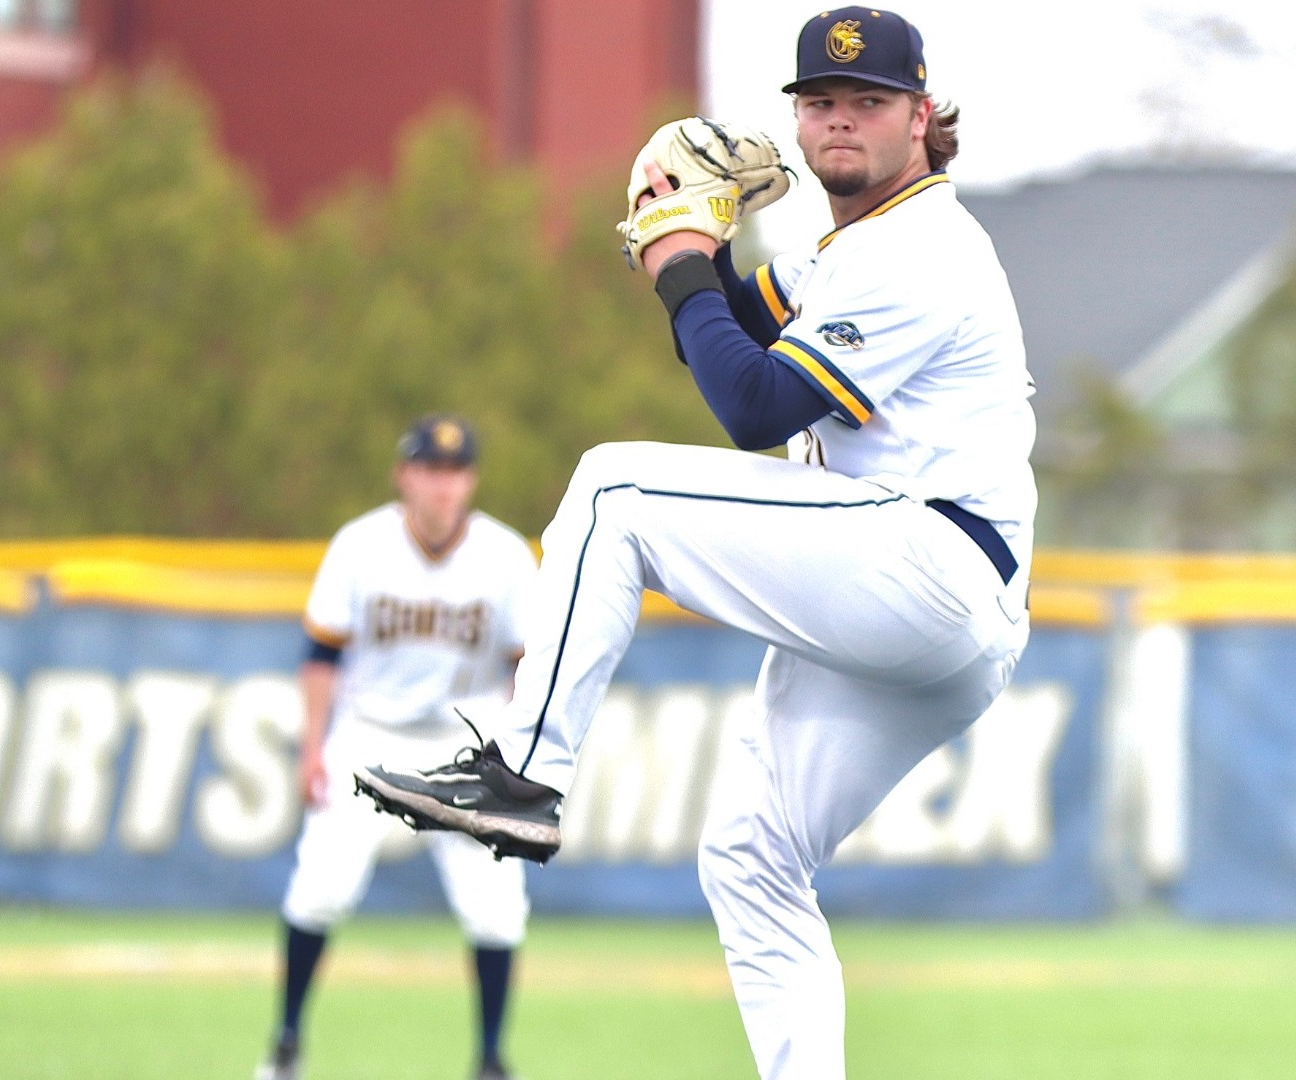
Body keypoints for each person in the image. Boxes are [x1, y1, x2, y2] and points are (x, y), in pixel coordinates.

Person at [354, 9, 1034, 1078]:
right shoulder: (849, 248)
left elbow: (755, 405)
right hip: (925, 615)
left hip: (927, 561)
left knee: (615, 488)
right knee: (751, 858)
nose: (840, 122)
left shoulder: (924, 247)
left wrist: (680, 254)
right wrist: (693, 250)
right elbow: (735, 327)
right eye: (819, 103)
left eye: (869, 102)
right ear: (797, 121)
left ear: (920, 114)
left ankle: (525, 771)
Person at [257, 415, 537, 1080]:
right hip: (370, 737)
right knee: (319, 888)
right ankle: (287, 1042)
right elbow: (321, 654)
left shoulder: (504, 556)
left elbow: (526, 665)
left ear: (470, 480)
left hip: (466, 742)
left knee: (498, 908)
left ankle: (491, 1058)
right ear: (404, 476)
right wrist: (312, 749)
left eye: (455, 472)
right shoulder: (361, 545)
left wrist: (517, 754)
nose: (443, 486)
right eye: (430, 471)